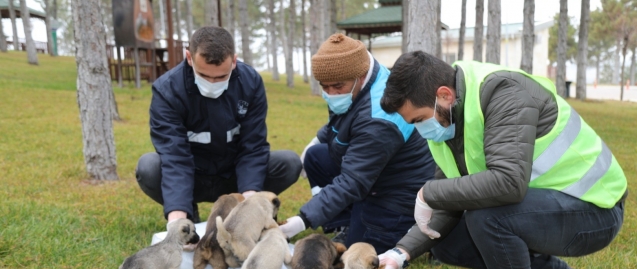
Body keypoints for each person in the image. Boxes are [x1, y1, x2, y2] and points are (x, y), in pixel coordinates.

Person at [373, 51, 627, 269]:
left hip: (595, 208)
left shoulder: (505, 94)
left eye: (418, 119)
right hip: (550, 207)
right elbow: (451, 199)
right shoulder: (450, 119)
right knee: (448, 242)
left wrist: (428, 193)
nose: (419, 129)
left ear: (443, 94)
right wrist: (400, 253)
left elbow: (507, 184)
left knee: (488, 217)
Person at [279, 34, 435, 254]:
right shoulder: (359, 80)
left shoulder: (381, 116)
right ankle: (344, 220)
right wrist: (319, 138)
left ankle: (411, 228)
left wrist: (302, 220)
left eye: (337, 87)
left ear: (360, 76)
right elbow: (342, 120)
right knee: (316, 156)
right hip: (373, 174)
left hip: (398, 191)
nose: (331, 94)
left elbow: (353, 180)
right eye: (324, 87)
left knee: (354, 249)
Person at [136, 27, 301, 224]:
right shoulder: (168, 90)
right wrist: (177, 220)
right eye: (204, 75)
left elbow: (252, 146)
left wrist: (249, 207)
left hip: (233, 175)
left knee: (289, 162)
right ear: (189, 57)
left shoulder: (250, 82)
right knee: (148, 167)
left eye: (221, 77)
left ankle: (239, 210)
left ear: (234, 60)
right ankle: (188, 214)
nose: (212, 83)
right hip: (193, 176)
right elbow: (175, 156)